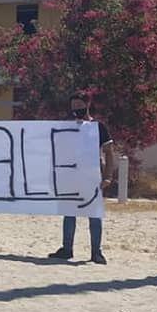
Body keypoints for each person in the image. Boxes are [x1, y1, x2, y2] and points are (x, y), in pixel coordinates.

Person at [48, 92, 115, 265]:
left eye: (79, 106)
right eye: (73, 107)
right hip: (70, 177)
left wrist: (108, 176)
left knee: (94, 216)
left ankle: (96, 252)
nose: (76, 110)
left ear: (87, 104)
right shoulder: (67, 126)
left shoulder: (98, 127)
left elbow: (109, 153)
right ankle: (67, 249)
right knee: (69, 214)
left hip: (92, 178)